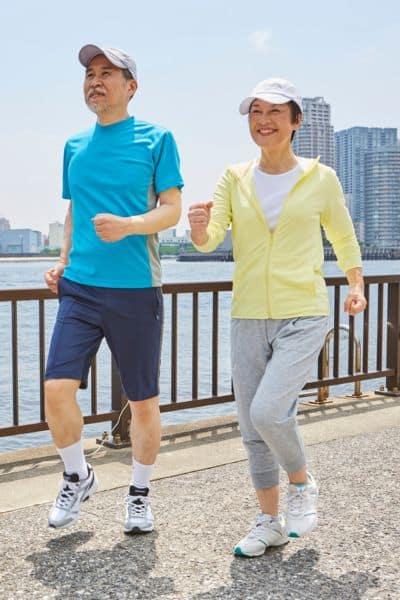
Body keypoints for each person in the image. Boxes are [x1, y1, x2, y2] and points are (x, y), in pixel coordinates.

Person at [188, 78, 366, 557]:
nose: (263, 121)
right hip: (248, 313)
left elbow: (343, 236)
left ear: (295, 121)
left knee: (269, 412)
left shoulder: (321, 177)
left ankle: (302, 483)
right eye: (255, 113)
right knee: (252, 427)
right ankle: (269, 522)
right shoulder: (234, 177)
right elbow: (211, 240)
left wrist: (355, 285)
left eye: (273, 112)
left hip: (303, 311)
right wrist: (199, 230)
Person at [44, 44, 183, 533]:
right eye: (90, 74)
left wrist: (128, 226)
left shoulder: (157, 138)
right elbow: (74, 212)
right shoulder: (74, 146)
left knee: (143, 401)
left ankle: (139, 495)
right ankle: (77, 475)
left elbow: (172, 209)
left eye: (107, 73)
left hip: (135, 288)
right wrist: (62, 261)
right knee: (56, 390)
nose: (95, 81)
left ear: (131, 87)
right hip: (80, 289)